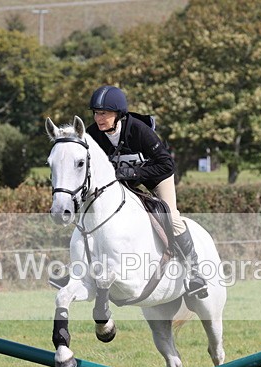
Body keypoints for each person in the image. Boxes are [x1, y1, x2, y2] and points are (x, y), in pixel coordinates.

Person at [86, 85, 207, 298]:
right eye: (96, 113)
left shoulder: (139, 130)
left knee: (172, 216)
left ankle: (195, 271)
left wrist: (133, 173)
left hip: (155, 177)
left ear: (118, 114)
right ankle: (78, 272)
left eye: (104, 113)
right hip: (119, 183)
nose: (99, 118)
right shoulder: (92, 134)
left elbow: (167, 164)